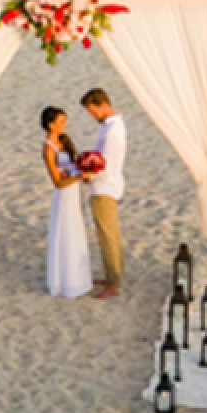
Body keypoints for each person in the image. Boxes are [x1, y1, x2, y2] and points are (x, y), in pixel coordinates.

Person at [40, 107, 95, 299]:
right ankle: (66, 281)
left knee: (76, 230)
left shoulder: (64, 141)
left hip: (74, 192)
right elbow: (57, 182)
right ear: (51, 124)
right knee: (67, 231)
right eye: (61, 121)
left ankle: (79, 278)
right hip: (64, 194)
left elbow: (72, 167)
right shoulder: (49, 149)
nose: (65, 125)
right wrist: (79, 175)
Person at [81, 88, 127, 299]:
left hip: (105, 187)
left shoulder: (113, 131)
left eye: (93, 111)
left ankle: (113, 283)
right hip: (107, 185)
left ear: (103, 105)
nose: (92, 116)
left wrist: (87, 175)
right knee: (110, 234)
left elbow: (105, 165)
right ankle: (112, 276)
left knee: (107, 236)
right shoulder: (111, 127)